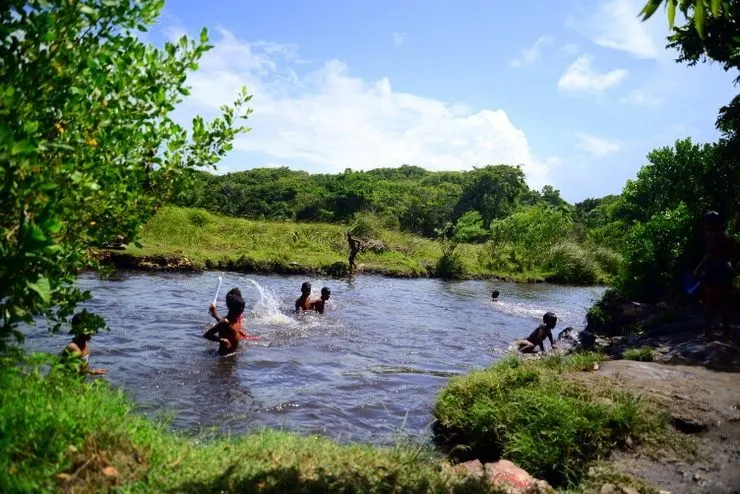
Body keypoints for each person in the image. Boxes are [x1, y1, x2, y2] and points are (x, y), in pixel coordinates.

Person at [693, 211, 737, 341]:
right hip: (726, 268)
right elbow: (736, 253)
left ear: (710, 223)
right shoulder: (727, 235)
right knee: (725, 302)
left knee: (709, 302)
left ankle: (708, 333)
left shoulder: (713, 236)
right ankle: (726, 333)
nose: (705, 226)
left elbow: (710, 255)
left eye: (706, 223)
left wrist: (698, 269)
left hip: (715, 269)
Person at [205, 287, 249, 355]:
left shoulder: (235, 320)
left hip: (233, 355)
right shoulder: (225, 322)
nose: (242, 310)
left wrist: (239, 332)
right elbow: (207, 335)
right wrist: (222, 340)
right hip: (222, 357)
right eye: (241, 308)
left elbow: (229, 326)